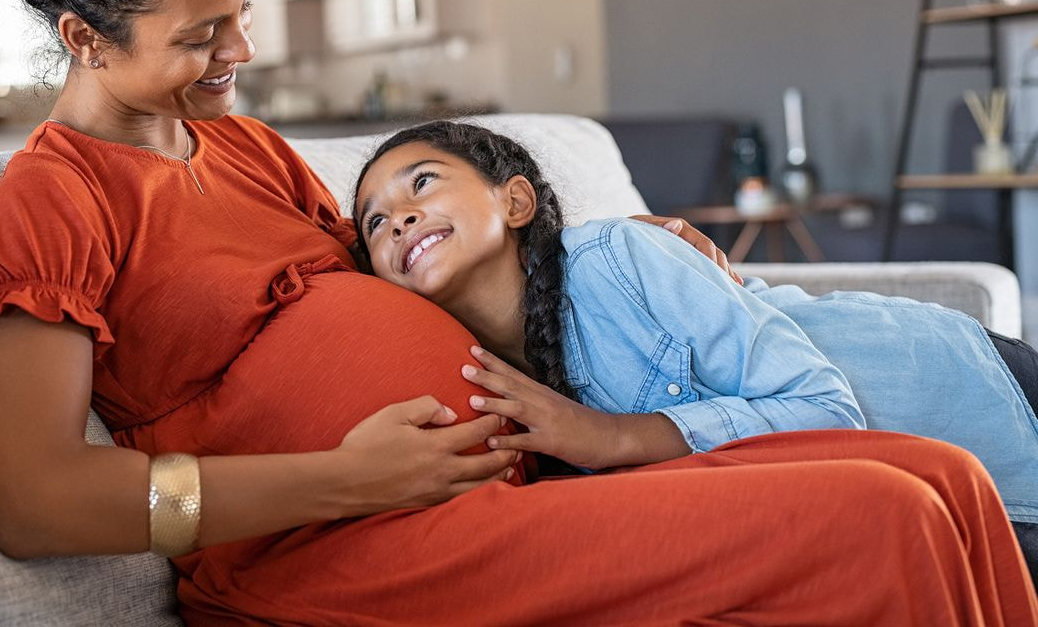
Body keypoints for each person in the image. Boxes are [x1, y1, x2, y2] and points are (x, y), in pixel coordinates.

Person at [0, 0, 1038, 625]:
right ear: (82, 38)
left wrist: (595, 242)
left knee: (936, 473)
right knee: (879, 515)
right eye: (200, 35)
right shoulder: (58, 197)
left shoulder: (243, 148)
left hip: (502, 486)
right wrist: (341, 478)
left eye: (243, 10)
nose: (240, 51)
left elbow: (417, 272)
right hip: (345, 543)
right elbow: (34, 498)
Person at [352, 119, 1038, 580]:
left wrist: (615, 437)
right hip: (899, 516)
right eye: (375, 222)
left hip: (966, 403)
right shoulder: (483, 379)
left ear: (516, 202)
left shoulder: (617, 260)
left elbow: (826, 407)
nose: (399, 217)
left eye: (422, 183)